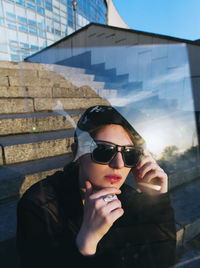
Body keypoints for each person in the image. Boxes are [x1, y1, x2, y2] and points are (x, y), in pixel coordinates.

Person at [16, 105, 176, 268]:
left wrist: (158, 205)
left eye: (130, 153)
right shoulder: (39, 206)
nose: (118, 164)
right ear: (76, 152)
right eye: (104, 150)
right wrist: (86, 242)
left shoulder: (129, 198)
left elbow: (161, 262)